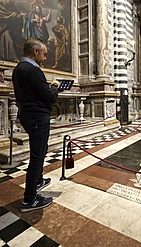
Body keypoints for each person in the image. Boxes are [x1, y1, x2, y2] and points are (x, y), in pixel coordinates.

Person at [12, 37, 61, 212]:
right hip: (37, 117)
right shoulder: (33, 71)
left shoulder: (19, 68)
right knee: (37, 157)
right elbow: (50, 97)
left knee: (40, 151)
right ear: (35, 51)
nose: (45, 58)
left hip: (28, 115)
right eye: (44, 54)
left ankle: (38, 180)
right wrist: (55, 87)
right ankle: (29, 199)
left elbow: (35, 92)